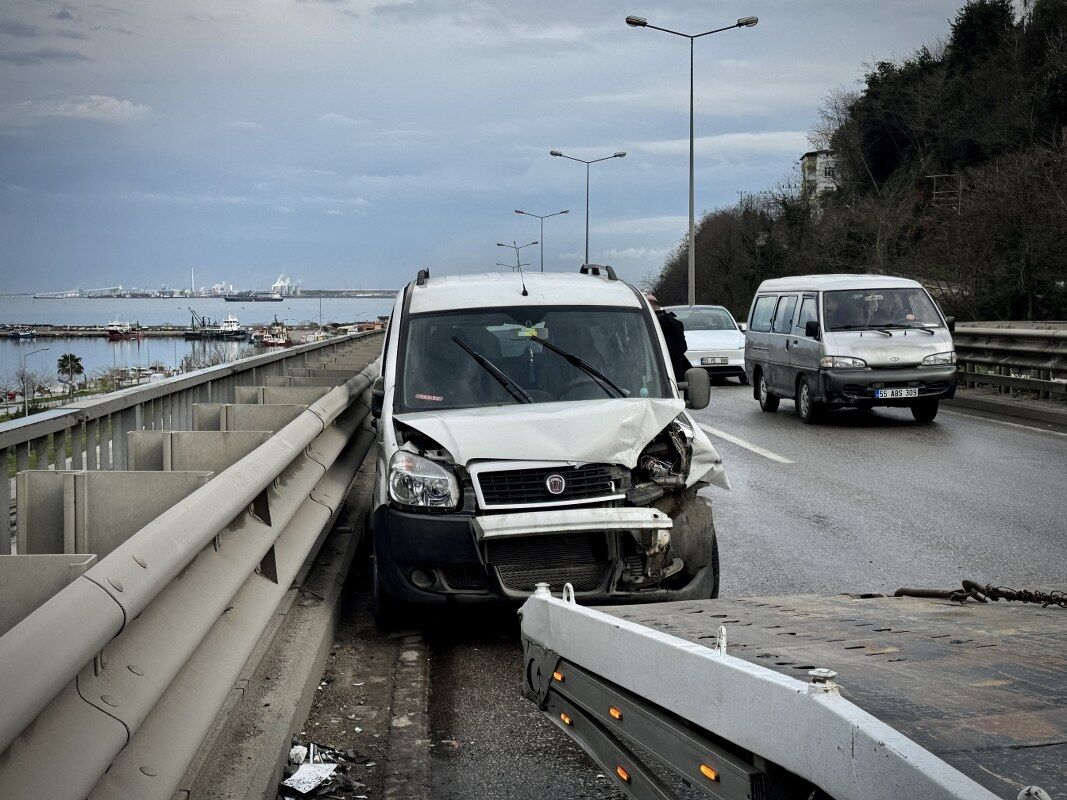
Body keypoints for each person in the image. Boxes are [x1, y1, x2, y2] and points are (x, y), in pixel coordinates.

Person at [644, 292, 691, 381]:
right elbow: (683, 347)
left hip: (654, 374)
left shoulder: (646, 323)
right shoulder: (677, 324)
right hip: (675, 373)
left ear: (650, 304)